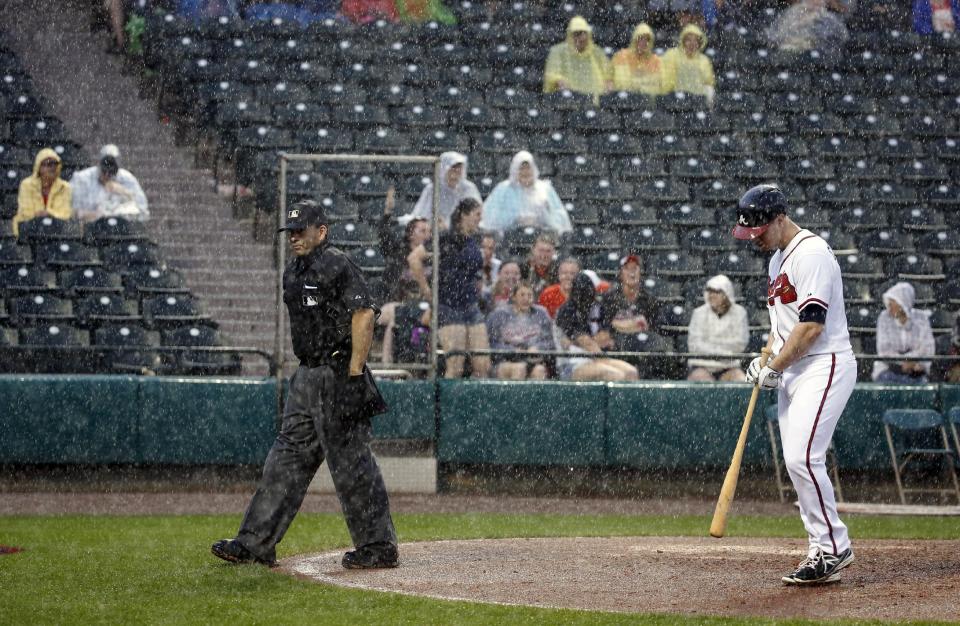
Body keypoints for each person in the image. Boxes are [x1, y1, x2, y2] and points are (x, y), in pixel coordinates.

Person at [212, 200, 398, 570]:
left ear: (322, 231)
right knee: (285, 461)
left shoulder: (337, 264)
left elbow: (364, 314)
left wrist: (355, 372)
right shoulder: (293, 272)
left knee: (351, 464)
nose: (294, 237)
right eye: (290, 231)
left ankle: (378, 546)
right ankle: (256, 542)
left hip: (337, 372)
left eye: (301, 230)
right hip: (306, 375)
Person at [734, 183, 855, 585]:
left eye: (760, 232)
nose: (755, 240)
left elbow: (811, 328)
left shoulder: (813, 253)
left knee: (804, 458)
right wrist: (765, 359)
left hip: (824, 363)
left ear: (780, 218)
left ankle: (834, 547)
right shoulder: (776, 262)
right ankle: (820, 548)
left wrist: (775, 367)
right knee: (796, 461)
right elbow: (782, 329)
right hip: (794, 368)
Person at [438, 198, 491, 379]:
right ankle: (447, 406)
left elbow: (475, 272)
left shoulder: (474, 240)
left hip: (470, 305)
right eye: (477, 215)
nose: (479, 219)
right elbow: (415, 258)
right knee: (455, 365)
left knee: (483, 365)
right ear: (464, 215)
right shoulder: (446, 237)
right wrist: (427, 291)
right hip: (449, 305)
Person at [378, 187, 431, 364]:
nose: (427, 235)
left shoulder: (432, 258)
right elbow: (384, 236)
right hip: (397, 303)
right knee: (397, 317)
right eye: (422, 231)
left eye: (428, 231)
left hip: (423, 307)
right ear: (410, 233)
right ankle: (387, 368)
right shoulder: (398, 253)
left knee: (407, 319)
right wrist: (388, 212)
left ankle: (417, 364)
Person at [555, 272, 640, 381]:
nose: (597, 293)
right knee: (614, 374)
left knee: (631, 372)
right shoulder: (567, 310)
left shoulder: (596, 307)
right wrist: (590, 342)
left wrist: (587, 342)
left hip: (596, 357)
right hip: (572, 364)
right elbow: (586, 342)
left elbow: (604, 338)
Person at [480, 151, 573, 236]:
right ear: (515, 170)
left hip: (542, 237)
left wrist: (543, 217)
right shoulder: (503, 189)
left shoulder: (545, 188)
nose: (525, 172)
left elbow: (560, 218)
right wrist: (516, 219)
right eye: (521, 168)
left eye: (528, 168)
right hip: (510, 236)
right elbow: (490, 218)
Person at [485, 281, 557, 380]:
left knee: (539, 370)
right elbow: (490, 343)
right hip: (505, 361)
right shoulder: (499, 315)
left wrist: (538, 348)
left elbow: (550, 342)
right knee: (519, 368)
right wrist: (511, 351)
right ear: (514, 297)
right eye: (522, 295)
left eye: (529, 295)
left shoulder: (541, 314)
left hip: (532, 361)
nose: (526, 299)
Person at [687, 274, 750, 382]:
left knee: (740, 379)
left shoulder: (740, 313)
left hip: (729, 366)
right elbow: (694, 345)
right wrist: (723, 351)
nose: (711, 295)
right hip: (702, 365)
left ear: (726, 293)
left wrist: (711, 346)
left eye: (716, 292)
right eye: (710, 291)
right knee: (701, 381)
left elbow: (740, 343)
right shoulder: (699, 313)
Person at [398, 152, 482, 231]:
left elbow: (477, 215)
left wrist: (450, 225)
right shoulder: (432, 189)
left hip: (462, 234)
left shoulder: (469, 188)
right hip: (434, 234)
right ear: (444, 169)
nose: (455, 174)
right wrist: (433, 223)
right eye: (453, 169)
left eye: (458, 170)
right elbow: (420, 214)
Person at [871, 282, 935, 383]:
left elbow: (927, 348)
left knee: (921, 385)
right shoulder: (883, 318)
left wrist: (912, 364)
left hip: (915, 371)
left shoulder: (922, 318)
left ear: (903, 303)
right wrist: (903, 364)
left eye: (893, 302)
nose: (889, 306)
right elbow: (884, 351)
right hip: (889, 370)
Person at [543, 15, 613, 104]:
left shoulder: (597, 52)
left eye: (584, 33)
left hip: (595, 101)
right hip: (569, 103)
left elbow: (608, 74)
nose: (582, 37)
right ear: (570, 35)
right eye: (577, 34)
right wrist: (559, 81)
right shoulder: (558, 51)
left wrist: (608, 84)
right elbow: (551, 74)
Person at [597, 254, 660, 352]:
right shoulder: (609, 299)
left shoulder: (650, 300)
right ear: (620, 274)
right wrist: (636, 324)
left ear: (640, 273)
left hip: (643, 349)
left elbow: (651, 330)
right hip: (617, 349)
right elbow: (606, 329)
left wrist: (620, 325)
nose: (632, 273)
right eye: (627, 268)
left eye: (635, 268)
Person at [70, 144, 148, 222]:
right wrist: (95, 215)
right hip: (92, 229)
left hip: (122, 229)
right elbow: (71, 212)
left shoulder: (127, 179)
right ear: (98, 165)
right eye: (104, 170)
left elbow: (143, 212)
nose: (107, 175)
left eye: (111, 172)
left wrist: (125, 193)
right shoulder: (82, 178)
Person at [13, 148, 72, 237]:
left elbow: (66, 214)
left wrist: (48, 213)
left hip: (57, 233)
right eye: (48, 164)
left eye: (55, 163)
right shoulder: (26, 185)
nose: (52, 167)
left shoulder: (66, 187)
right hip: (30, 232)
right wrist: (40, 216)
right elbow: (25, 212)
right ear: (39, 167)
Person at [765, 0, 849, 54]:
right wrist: (802, 22)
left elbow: (841, 37)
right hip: (791, 52)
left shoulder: (829, 18)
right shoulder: (792, 13)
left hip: (818, 53)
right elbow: (777, 35)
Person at [661, 24, 716, 103]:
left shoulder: (704, 60)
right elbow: (665, 80)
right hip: (675, 96)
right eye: (688, 40)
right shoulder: (672, 54)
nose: (692, 43)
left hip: (697, 99)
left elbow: (709, 81)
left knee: (710, 91)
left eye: (695, 40)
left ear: (699, 43)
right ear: (683, 41)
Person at [611, 23, 666, 96]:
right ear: (635, 39)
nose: (643, 42)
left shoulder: (656, 61)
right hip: (623, 101)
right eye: (640, 38)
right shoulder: (621, 56)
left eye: (647, 40)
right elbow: (615, 81)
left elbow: (656, 87)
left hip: (647, 103)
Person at [480, 233, 501, 301]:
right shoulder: (474, 264)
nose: (487, 251)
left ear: (494, 249)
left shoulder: (499, 265)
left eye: (490, 248)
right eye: (484, 247)